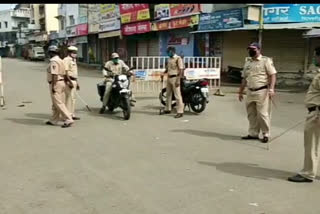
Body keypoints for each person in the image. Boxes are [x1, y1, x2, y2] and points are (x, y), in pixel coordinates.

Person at [288, 47, 320, 183]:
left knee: (311, 144)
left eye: (315, 56)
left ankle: (308, 173)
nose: (314, 59)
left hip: (317, 113)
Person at [238, 42, 277, 143]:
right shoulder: (248, 61)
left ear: (259, 50)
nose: (251, 51)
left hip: (262, 91)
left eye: (253, 49)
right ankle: (253, 133)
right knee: (251, 114)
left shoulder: (266, 61)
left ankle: (266, 134)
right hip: (250, 91)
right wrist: (240, 91)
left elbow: (272, 75)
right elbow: (244, 78)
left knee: (262, 114)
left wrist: (272, 89)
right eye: (249, 49)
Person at [46, 45, 74, 128]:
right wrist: (67, 82)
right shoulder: (61, 60)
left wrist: (54, 86)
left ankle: (68, 119)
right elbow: (65, 73)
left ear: (51, 53)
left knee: (58, 103)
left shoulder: (54, 61)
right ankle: (54, 120)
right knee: (55, 103)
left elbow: (54, 74)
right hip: (61, 83)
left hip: (56, 83)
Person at [162, 46, 184, 118]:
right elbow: (167, 68)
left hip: (175, 78)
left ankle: (180, 111)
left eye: (169, 52)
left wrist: (178, 80)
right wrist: (163, 73)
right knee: (168, 94)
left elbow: (181, 70)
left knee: (177, 95)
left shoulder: (178, 58)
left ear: (172, 51)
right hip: (169, 78)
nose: (168, 53)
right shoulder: (169, 59)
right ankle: (167, 109)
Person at [63, 46, 80, 120]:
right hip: (69, 81)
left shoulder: (74, 60)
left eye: (75, 53)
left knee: (73, 99)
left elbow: (74, 73)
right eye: (73, 53)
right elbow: (65, 72)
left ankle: (72, 114)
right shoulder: (66, 60)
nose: (75, 54)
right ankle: (66, 115)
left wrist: (77, 83)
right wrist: (69, 82)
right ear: (69, 53)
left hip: (74, 80)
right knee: (68, 98)